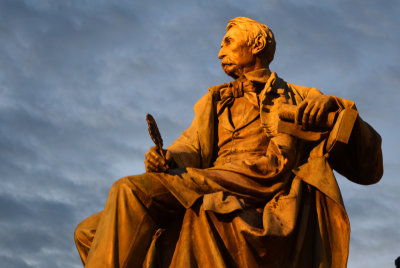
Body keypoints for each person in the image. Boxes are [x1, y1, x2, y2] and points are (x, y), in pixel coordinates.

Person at [74, 17, 383, 268]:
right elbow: (191, 147)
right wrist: (168, 159)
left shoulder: (300, 95)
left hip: (261, 179)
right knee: (88, 232)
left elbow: (369, 167)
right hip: (212, 178)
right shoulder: (213, 101)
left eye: (229, 42)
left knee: (128, 190)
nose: (220, 51)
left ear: (257, 45)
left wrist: (334, 107)